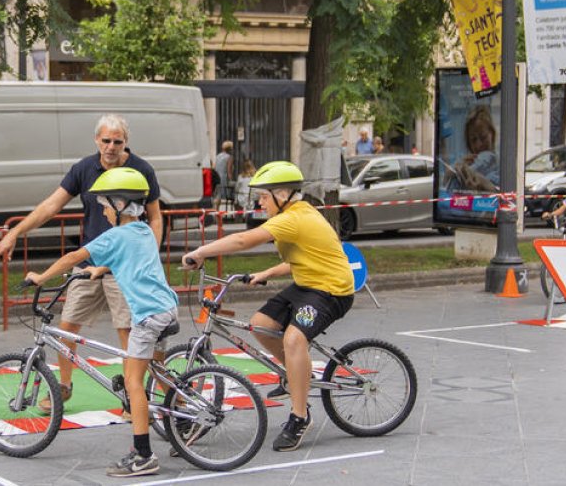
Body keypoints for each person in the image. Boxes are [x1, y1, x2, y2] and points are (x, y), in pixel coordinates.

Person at [0, 114, 162, 412]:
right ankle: (63, 387)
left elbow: (156, 216)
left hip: (122, 266)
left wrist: (147, 252)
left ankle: (132, 397)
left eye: (117, 141)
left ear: (126, 143)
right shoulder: (84, 168)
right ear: (97, 140)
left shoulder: (141, 169)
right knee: (66, 325)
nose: (111, 147)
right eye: (106, 140)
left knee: (127, 332)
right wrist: (15, 232)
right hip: (89, 261)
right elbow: (51, 205)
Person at [181, 161, 354, 452]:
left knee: (294, 338)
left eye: (263, 196)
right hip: (307, 284)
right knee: (261, 324)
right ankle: (297, 373)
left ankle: (300, 417)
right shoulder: (296, 214)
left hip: (331, 290)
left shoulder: (294, 217)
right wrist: (267, 273)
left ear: (283, 194)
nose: (260, 202)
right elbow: (306, 256)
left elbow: (242, 239)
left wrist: (200, 251)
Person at [25, 168, 178, 478]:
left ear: (120, 205)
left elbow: (71, 258)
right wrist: (101, 269)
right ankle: (185, 419)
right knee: (156, 368)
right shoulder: (144, 230)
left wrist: (40, 277)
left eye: (106, 205)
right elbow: (129, 257)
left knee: (133, 382)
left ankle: (143, 455)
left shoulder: (114, 235)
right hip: (167, 308)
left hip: (147, 315)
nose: (104, 211)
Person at [453, 105, 499, 192]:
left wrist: (486, 185)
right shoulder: (466, 165)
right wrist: (455, 173)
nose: (479, 145)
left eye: (483, 137)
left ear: (492, 134)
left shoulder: (502, 167)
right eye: (474, 140)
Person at [213, 140, 234, 210]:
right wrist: (230, 179)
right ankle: (217, 211)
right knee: (223, 195)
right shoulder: (229, 157)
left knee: (217, 194)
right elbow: (229, 170)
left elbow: (214, 166)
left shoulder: (218, 156)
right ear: (230, 149)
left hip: (216, 177)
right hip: (223, 178)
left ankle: (216, 210)